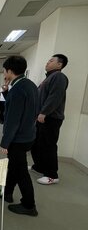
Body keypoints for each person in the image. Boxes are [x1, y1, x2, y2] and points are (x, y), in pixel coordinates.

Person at [0, 55, 38, 216]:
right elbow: (24, 109)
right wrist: (7, 93)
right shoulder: (29, 85)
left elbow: (12, 120)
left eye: (4, 70)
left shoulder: (18, 89)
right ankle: (7, 193)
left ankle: (29, 205)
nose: (3, 73)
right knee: (14, 167)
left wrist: (5, 142)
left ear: (10, 70)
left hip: (18, 138)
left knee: (21, 171)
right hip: (28, 134)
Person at [30, 54, 69, 185]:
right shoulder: (49, 78)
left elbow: (55, 97)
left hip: (51, 118)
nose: (47, 62)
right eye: (48, 60)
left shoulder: (59, 77)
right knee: (37, 144)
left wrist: (44, 113)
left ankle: (52, 175)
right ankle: (39, 166)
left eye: (51, 61)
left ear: (60, 65)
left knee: (48, 145)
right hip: (42, 117)